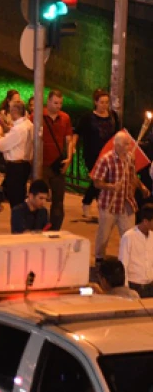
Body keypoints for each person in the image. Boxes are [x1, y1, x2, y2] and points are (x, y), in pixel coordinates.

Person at [91, 131, 146, 262]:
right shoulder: (106, 159)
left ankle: (128, 260)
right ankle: (99, 259)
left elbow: (133, 176)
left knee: (129, 235)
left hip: (126, 202)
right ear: (117, 145)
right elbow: (97, 182)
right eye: (126, 144)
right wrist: (111, 186)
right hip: (109, 203)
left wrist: (141, 186)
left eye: (129, 143)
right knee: (103, 235)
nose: (129, 146)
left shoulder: (130, 157)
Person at [77, 89, 121, 219]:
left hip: (109, 154)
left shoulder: (113, 116)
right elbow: (77, 132)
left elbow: (117, 133)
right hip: (92, 155)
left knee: (105, 179)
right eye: (101, 102)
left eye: (106, 102)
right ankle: (88, 203)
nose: (104, 105)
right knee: (96, 179)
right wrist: (73, 147)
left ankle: (94, 203)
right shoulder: (87, 117)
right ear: (95, 102)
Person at [41, 90, 76, 230]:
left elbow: (69, 139)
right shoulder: (38, 115)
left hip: (57, 164)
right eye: (55, 103)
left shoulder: (65, 118)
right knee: (41, 197)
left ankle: (55, 228)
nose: (58, 106)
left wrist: (68, 158)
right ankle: (41, 226)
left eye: (60, 103)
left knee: (58, 200)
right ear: (48, 101)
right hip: (42, 163)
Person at [0, 101, 33, 206]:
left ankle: (18, 221)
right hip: (24, 166)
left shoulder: (18, 129)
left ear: (14, 111)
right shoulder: (28, 124)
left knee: (15, 200)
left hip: (16, 168)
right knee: (19, 196)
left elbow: (1, 145)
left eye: (10, 110)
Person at [119, 204, 153, 297]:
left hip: (150, 285)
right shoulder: (129, 237)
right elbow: (123, 263)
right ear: (146, 221)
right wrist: (125, 288)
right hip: (134, 286)